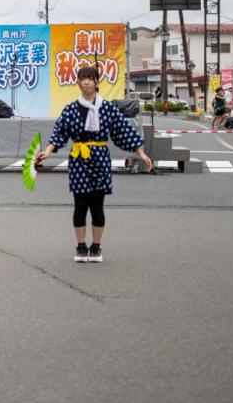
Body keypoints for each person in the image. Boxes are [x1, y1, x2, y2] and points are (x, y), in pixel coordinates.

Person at [32, 66, 154, 264]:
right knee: (80, 205)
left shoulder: (108, 108)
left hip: (100, 158)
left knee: (97, 206)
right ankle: (81, 247)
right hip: (78, 158)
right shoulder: (71, 109)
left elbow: (123, 131)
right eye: (82, 78)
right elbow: (59, 132)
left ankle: (96, 247)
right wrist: (48, 150)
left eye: (90, 78)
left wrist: (141, 152)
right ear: (78, 82)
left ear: (97, 82)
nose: (86, 82)